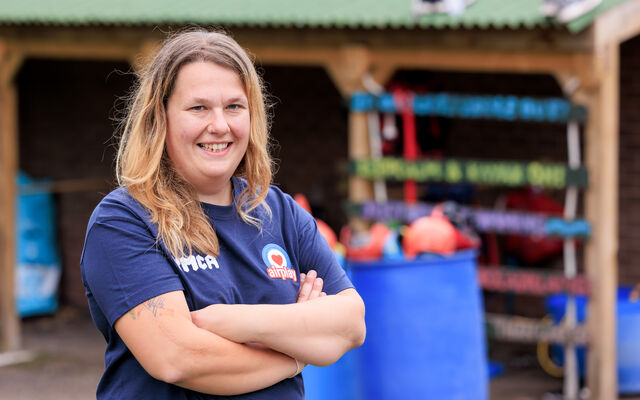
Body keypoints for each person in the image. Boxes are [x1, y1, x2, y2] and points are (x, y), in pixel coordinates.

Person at [80, 29, 366, 400]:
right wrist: (298, 352)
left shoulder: (280, 213)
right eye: (198, 108)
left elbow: (352, 325)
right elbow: (177, 358)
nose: (220, 125)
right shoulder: (124, 221)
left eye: (234, 106)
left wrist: (234, 321)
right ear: (159, 118)